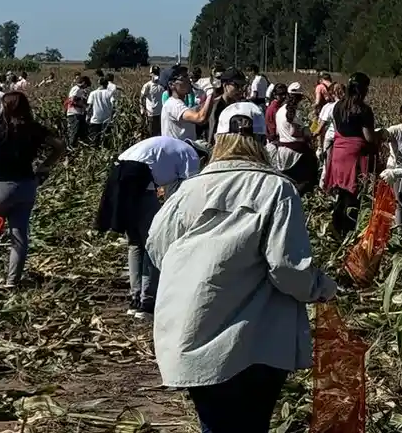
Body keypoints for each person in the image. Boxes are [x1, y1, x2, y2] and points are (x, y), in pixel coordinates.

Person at [146, 101, 337, 433]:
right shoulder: (277, 189)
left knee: (215, 424)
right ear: (262, 142)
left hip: (196, 333)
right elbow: (288, 269)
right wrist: (322, 287)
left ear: (218, 140)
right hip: (259, 342)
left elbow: (157, 246)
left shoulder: (190, 189)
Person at [98, 133, 201, 317]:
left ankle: (135, 297)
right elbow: (187, 193)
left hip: (119, 175)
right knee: (154, 243)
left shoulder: (174, 148)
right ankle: (147, 301)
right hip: (138, 179)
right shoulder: (191, 156)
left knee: (135, 243)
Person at [0, 90, 66, 290]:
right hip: (26, 185)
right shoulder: (34, 129)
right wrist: (44, 167)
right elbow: (60, 145)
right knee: (19, 236)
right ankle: (12, 282)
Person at [322, 74, 375, 237]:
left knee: (342, 192)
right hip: (354, 156)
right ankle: (348, 231)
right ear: (363, 89)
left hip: (338, 153)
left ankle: (336, 228)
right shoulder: (363, 109)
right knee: (353, 196)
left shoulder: (338, 106)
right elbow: (369, 137)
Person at [270, 82, 318, 193]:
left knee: (287, 181)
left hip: (282, 151)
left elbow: (278, 131)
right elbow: (294, 132)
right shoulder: (296, 112)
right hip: (297, 152)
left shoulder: (280, 111)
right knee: (304, 181)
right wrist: (307, 132)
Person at [161, 68, 216, 142]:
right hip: (178, 149)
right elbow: (200, 118)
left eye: (187, 76)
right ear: (171, 84)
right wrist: (210, 92)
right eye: (184, 77)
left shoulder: (179, 103)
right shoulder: (173, 104)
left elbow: (201, 110)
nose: (189, 80)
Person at [205, 69, 247, 144]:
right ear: (225, 85)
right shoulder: (214, 106)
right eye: (237, 85)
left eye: (242, 86)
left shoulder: (243, 107)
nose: (240, 89)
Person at [87, 76, 119, 147]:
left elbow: (89, 107)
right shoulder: (110, 93)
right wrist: (113, 116)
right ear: (107, 84)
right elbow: (114, 105)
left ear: (99, 84)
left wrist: (87, 116)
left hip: (95, 118)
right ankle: (105, 149)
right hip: (107, 119)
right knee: (106, 138)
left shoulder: (93, 93)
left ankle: (95, 149)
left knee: (94, 138)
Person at [64, 75, 91, 146]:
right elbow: (72, 101)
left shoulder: (81, 90)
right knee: (74, 131)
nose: (86, 87)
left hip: (79, 113)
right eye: (86, 85)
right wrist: (82, 106)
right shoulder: (76, 89)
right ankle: (71, 146)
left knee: (82, 131)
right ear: (84, 83)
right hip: (74, 113)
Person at [139, 67, 164, 138]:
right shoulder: (147, 86)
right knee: (152, 134)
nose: (156, 75)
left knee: (160, 134)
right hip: (151, 114)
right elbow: (141, 98)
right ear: (151, 74)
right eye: (154, 73)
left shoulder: (161, 85)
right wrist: (142, 108)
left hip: (161, 113)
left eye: (157, 73)